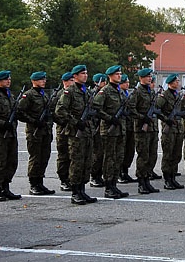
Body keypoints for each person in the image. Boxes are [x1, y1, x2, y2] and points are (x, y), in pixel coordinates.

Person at [55, 65, 98, 205]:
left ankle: (82, 190)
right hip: (76, 134)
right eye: (82, 73)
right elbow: (60, 110)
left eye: (86, 73)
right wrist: (75, 122)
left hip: (87, 132)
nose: (85, 75)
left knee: (87, 162)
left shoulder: (86, 92)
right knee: (77, 162)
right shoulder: (70, 92)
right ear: (75, 76)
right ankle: (75, 192)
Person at [92, 65, 130, 198]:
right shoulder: (105, 91)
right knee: (109, 158)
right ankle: (108, 187)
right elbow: (96, 108)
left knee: (118, 158)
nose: (119, 76)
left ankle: (114, 185)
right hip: (109, 130)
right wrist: (110, 118)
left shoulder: (119, 91)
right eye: (117, 74)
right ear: (110, 76)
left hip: (120, 130)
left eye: (120, 74)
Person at [16, 71, 56, 195]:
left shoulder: (43, 95)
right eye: (41, 79)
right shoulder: (29, 95)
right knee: (35, 158)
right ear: (34, 81)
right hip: (34, 132)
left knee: (44, 157)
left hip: (45, 131)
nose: (44, 81)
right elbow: (19, 112)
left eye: (44, 79)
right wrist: (33, 121)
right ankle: (33, 184)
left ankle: (40, 182)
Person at [156, 73, 185, 189]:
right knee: (168, 154)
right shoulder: (164, 96)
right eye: (176, 81)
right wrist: (166, 119)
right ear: (171, 83)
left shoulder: (177, 95)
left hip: (178, 129)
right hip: (168, 129)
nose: (178, 83)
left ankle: (173, 177)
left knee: (176, 154)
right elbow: (157, 110)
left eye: (178, 81)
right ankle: (167, 179)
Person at [0, 70, 21, 201]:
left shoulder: (9, 95)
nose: (9, 81)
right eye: (6, 79)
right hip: (0, 134)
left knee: (11, 161)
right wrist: (2, 123)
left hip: (11, 133)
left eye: (9, 79)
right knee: (0, 162)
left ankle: (5, 188)